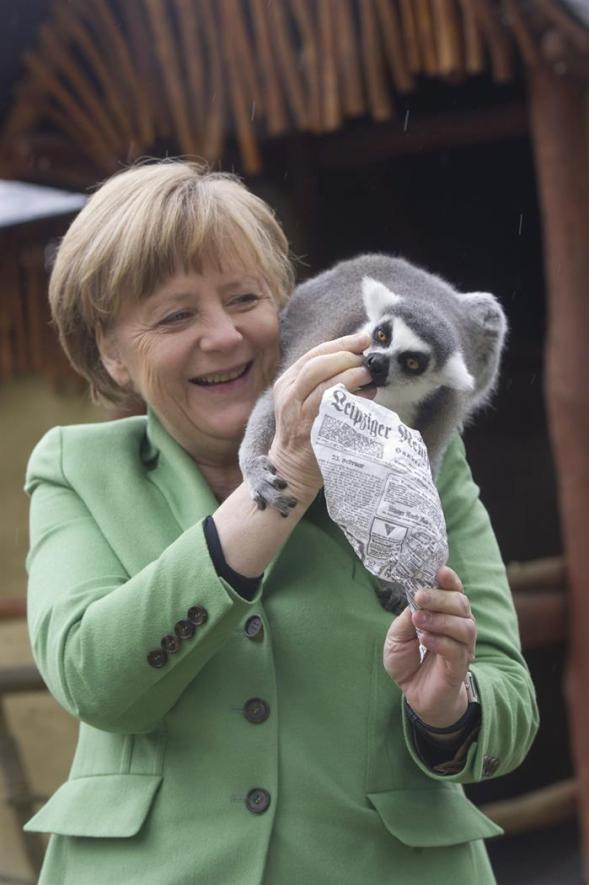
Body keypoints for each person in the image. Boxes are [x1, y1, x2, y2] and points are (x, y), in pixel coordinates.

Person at [24, 160, 538, 884]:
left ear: (287, 308)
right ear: (111, 352)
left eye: (244, 299)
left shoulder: (419, 454)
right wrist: (284, 479)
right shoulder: (75, 469)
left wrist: (449, 710)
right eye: (175, 315)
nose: (224, 335)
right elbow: (95, 680)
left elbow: (508, 703)